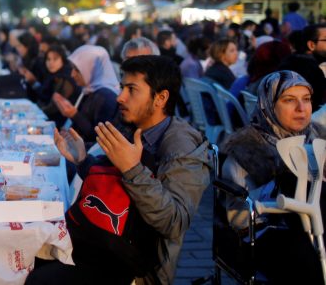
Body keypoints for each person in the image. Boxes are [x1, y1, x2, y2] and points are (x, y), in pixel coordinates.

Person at [28, 55, 210, 285]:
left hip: (136, 266)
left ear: (161, 98)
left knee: (39, 276)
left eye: (131, 89)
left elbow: (174, 222)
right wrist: (83, 160)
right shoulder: (134, 127)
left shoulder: (181, 146)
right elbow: (114, 189)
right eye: (122, 87)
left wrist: (132, 169)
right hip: (103, 241)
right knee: (32, 250)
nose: (120, 97)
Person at [220, 71, 326, 283]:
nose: (301, 108)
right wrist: (278, 191)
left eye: (306, 100)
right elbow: (238, 218)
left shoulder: (319, 137)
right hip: (269, 234)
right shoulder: (246, 148)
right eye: (289, 100)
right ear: (268, 105)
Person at [52, 45, 119, 143]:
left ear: (92, 69)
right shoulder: (89, 89)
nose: (72, 74)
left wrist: (74, 114)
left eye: (77, 70)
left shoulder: (106, 96)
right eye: (72, 69)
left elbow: (98, 138)